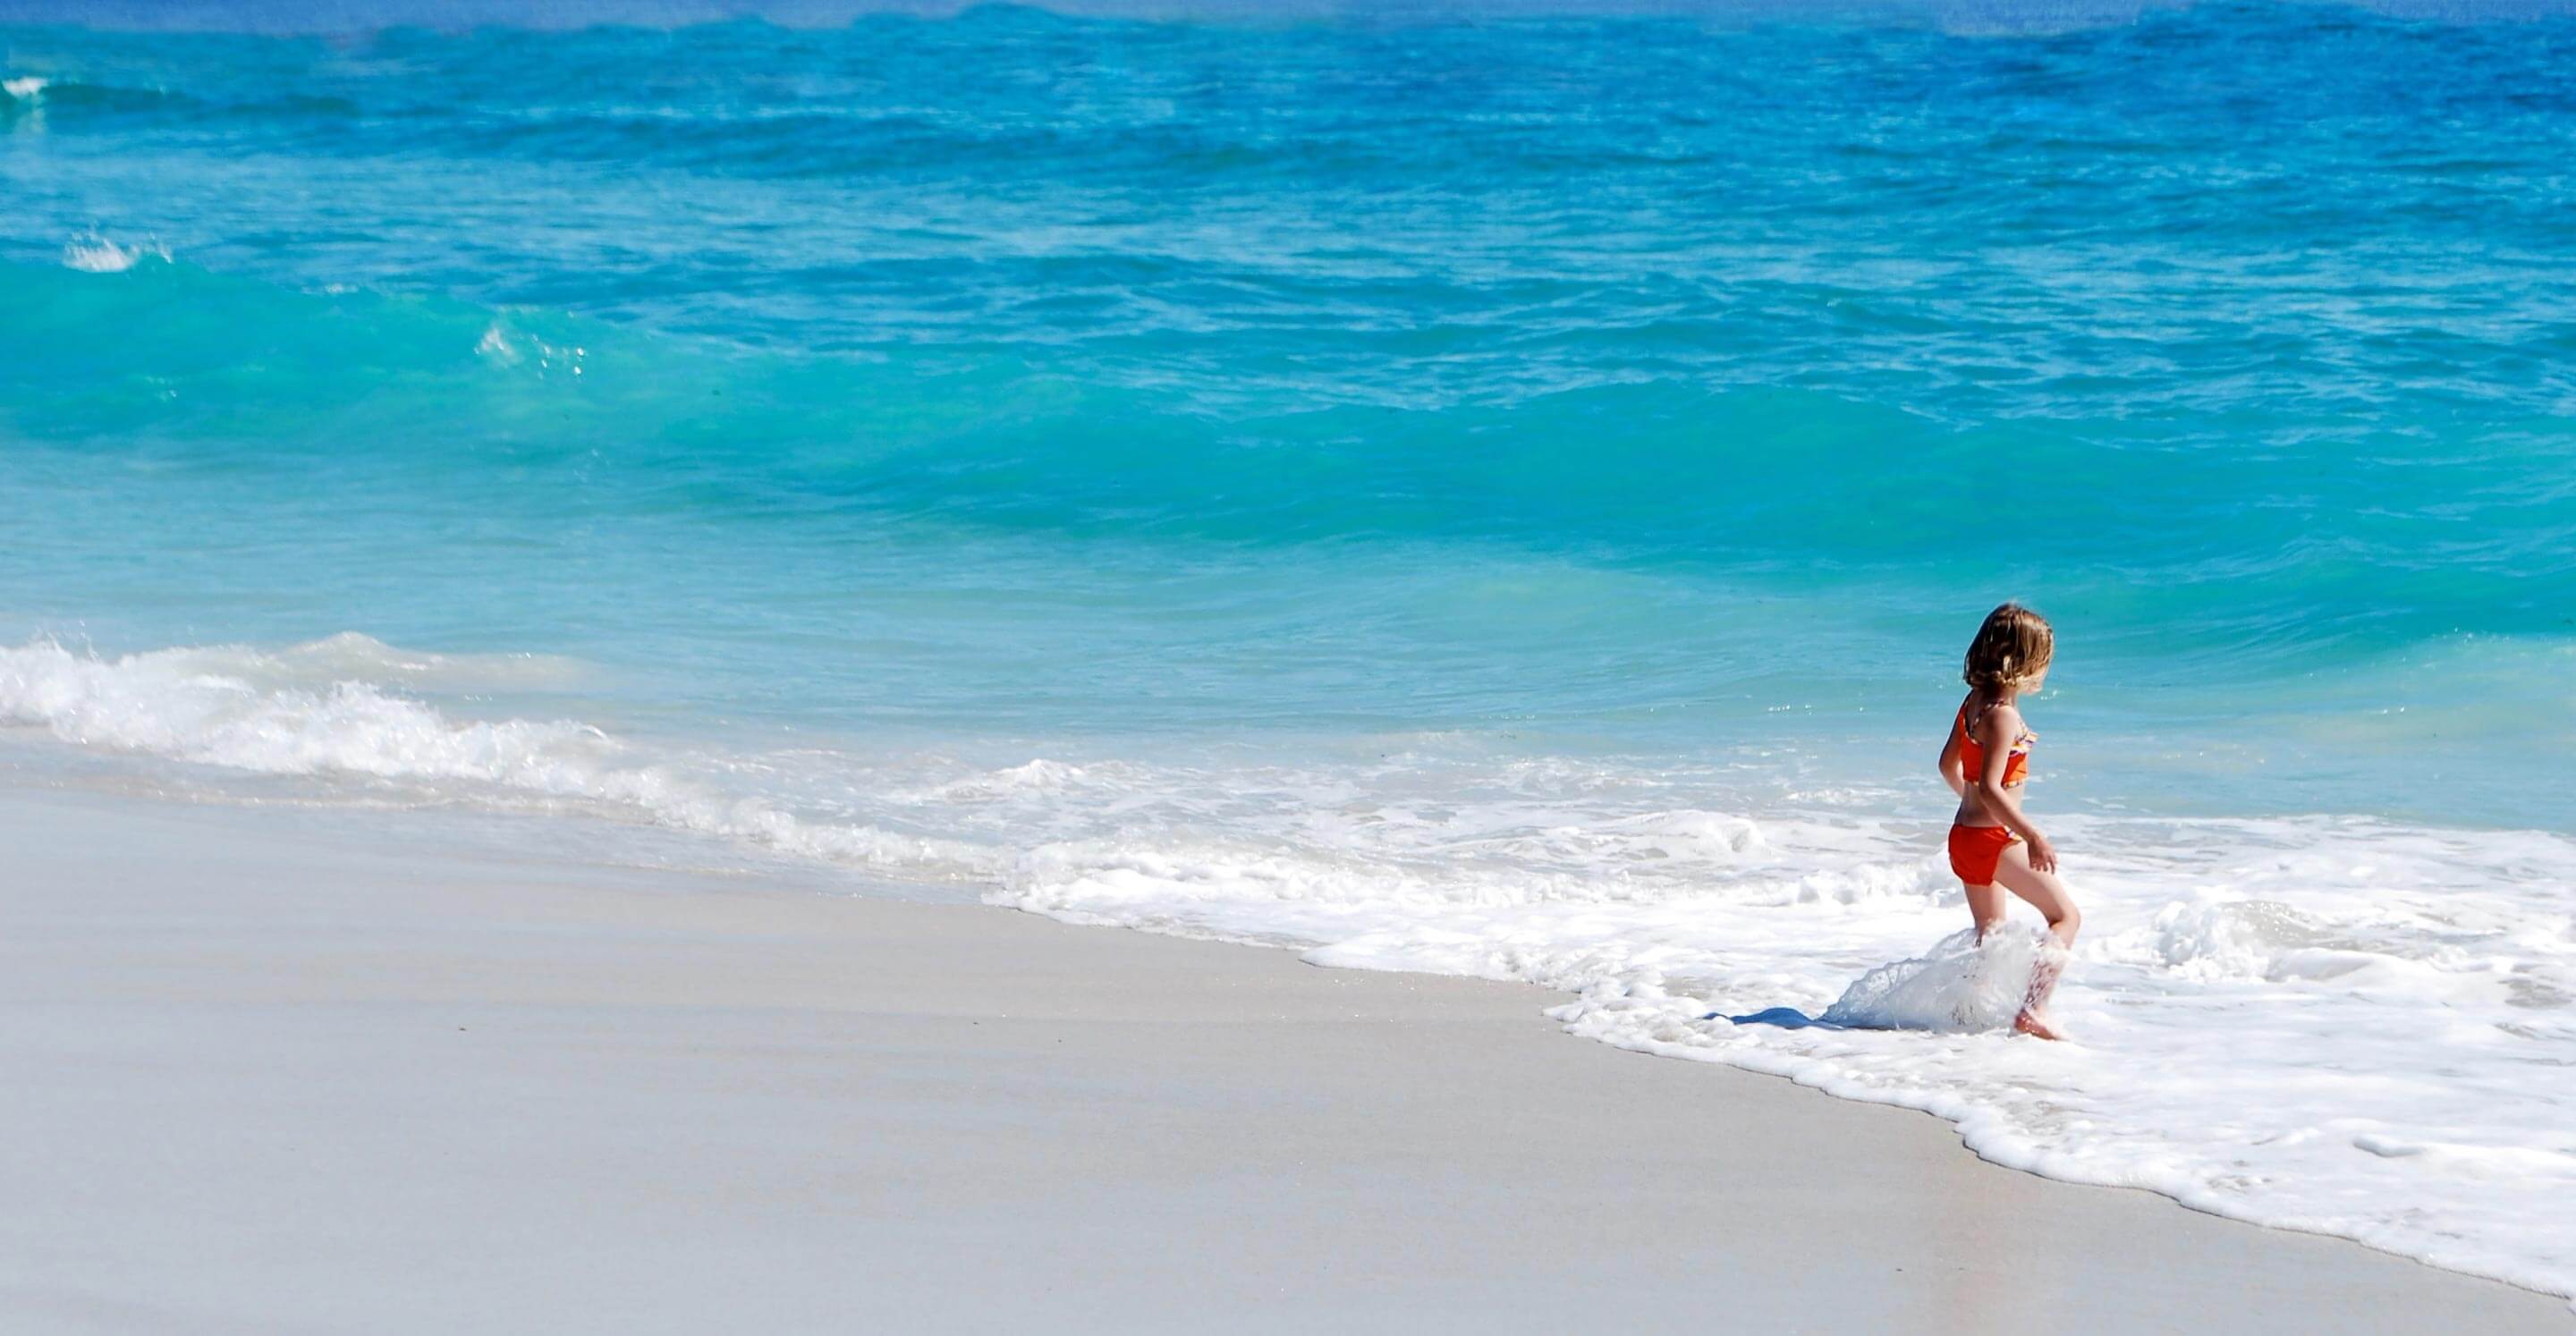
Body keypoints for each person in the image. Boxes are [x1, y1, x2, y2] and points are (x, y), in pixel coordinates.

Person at [1937, 602, 2080, 1039]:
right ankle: (2034, 1007)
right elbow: (1996, 789)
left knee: (1991, 934)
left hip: (1964, 836)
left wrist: (1972, 808)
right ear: (2026, 661)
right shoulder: (2002, 714)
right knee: (2065, 917)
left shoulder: (1972, 703)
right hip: (1993, 838)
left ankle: (1968, 1014)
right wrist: (2032, 835)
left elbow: (1948, 767)